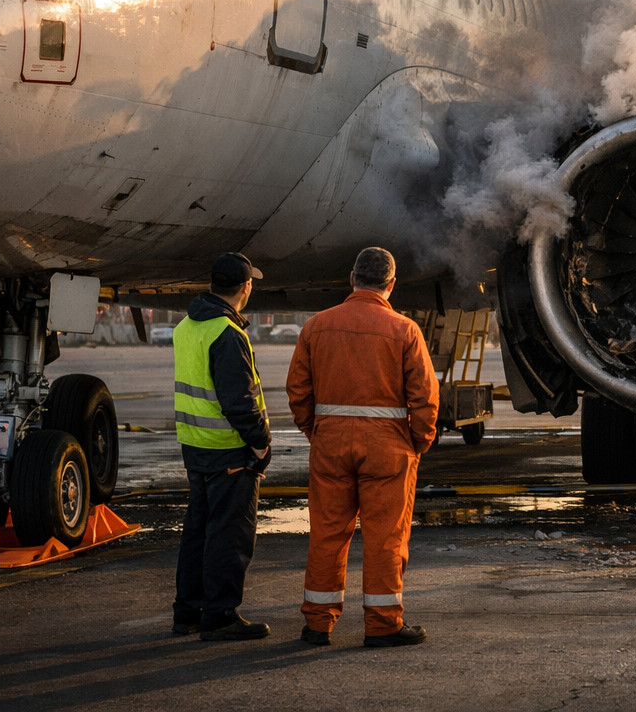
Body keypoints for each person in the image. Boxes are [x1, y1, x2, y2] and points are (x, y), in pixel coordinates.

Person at [287, 247, 440, 648]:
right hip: (388, 448)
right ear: (391, 284)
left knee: (326, 535)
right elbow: (425, 397)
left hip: (330, 443)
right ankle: (383, 625)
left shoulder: (316, 327)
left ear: (351, 278)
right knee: (386, 538)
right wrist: (419, 441)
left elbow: (298, 391)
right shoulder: (405, 331)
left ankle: (318, 625)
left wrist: (315, 432)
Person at [171, 252, 272, 640]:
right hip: (229, 448)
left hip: (195, 446)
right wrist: (260, 443)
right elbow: (239, 401)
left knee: (198, 530)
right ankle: (220, 615)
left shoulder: (187, 326)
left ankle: (189, 611)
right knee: (229, 535)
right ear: (245, 287)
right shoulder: (227, 333)